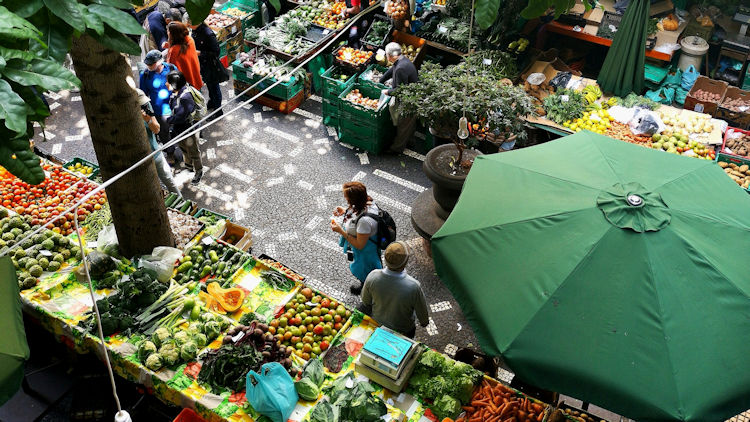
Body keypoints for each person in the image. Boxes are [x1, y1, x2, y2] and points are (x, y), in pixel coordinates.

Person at [359, 241, 429, 339]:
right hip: (404, 331)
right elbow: (423, 318)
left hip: (378, 324)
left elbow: (365, 301)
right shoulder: (413, 286)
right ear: (405, 263)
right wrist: (424, 322)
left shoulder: (373, 276)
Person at [330, 182, 382, 294]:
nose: (345, 198)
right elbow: (357, 214)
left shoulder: (364, 222)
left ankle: (367, 290)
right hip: (369, 247)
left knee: (365, 271)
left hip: (365, 252)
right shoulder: (369, 202)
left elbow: (359, 244)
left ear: (353, 201)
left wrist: (341, 231)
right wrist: (345, 211)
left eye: (347, 198)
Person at [135, 88, 182, 196]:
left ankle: (181, 202)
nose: (144, 104)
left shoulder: (145, 107)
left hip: (154, 152)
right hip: (139, 159)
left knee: (169, 181)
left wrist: (148, 120)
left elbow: (156, 129)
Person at [140, 50, 181, 165]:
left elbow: (179, 84)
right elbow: (143, 94)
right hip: (159, 111)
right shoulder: (145, 75)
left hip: (175, 106)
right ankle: (170, 153)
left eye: (151, 64)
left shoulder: (171, 68)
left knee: (180, 128)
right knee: (164, 133)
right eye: (147, 64)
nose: (149, 66)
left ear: (159, 62)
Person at [379, 42, 418, 154]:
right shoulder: (402, 60)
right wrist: (381, 80)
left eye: (386, 55)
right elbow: (392, 70)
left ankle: (396, 149)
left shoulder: (401, 68)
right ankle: (410, 141)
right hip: (412, 96)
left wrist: (387, 91)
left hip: (409, 101)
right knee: (409, 124)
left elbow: (400, 90)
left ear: (390, 56)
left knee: (403, 125)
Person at [185, 14, 228, 115]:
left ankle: (218, 110)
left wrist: (200, 53)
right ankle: (212, 102)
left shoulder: (208, 33)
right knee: (209, 85)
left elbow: (216, 52)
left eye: (189, 25)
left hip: (211, 65)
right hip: (203, 65)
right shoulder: (195, 31)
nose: (188, 26)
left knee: (214, 87)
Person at [166, 70, 204, 184]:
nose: (165, 84)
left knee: (193, 151)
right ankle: (189, 166)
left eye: (168, 82)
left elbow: (181, 117)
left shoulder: (185, 97)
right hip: (180, 129)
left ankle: (199, 171)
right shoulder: (176, 93)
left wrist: (168, 120)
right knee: (183, 148)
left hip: (188, 129)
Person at [166, 21, 203, 90]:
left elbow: (171, 68)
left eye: (168, 31)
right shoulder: (190, 40)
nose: (167, 33)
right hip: (194, 76)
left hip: (185, 84)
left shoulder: (174, 50)